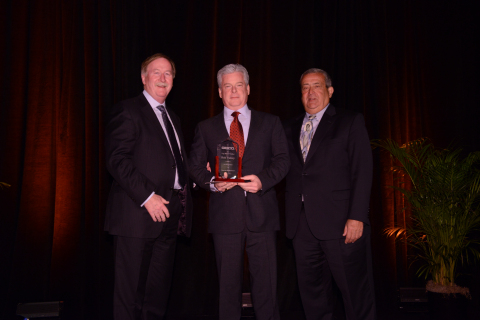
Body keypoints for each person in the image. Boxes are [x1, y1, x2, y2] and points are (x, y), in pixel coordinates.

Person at [189, 64, 290, 320]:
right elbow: (195, 166)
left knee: (266, 289)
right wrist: (212, 182)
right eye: (227, 86)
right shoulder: (205, 128)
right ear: (219, 92)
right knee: (228, 291)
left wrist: (263, 181)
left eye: (238, 85)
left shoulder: (270, 122)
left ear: (247, 89)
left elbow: (283, 160)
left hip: (263, 216)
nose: (233, 91)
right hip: (225, 219)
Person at [104, 53, 192, 320]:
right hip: (137, 214)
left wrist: (195, 176)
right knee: (130, 296)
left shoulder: (173, 118)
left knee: (156, 295)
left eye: (168, 74)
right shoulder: (128, 110)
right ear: (143, 78)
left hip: (169, 214)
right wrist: (148, 197)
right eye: (156, 72)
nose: (163, 78)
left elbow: (173, 165)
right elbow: (117, 161)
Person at [283, 68, 376, 320]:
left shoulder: (349, 121)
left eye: (317, 86)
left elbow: (362, 170)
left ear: (330, 91)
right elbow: (272, 164)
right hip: (301, 226)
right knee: (313, 297)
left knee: (355, 295)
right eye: (305, 87)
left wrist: (357, 216)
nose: (310, 92)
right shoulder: (287, 127)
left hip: (342, 225)